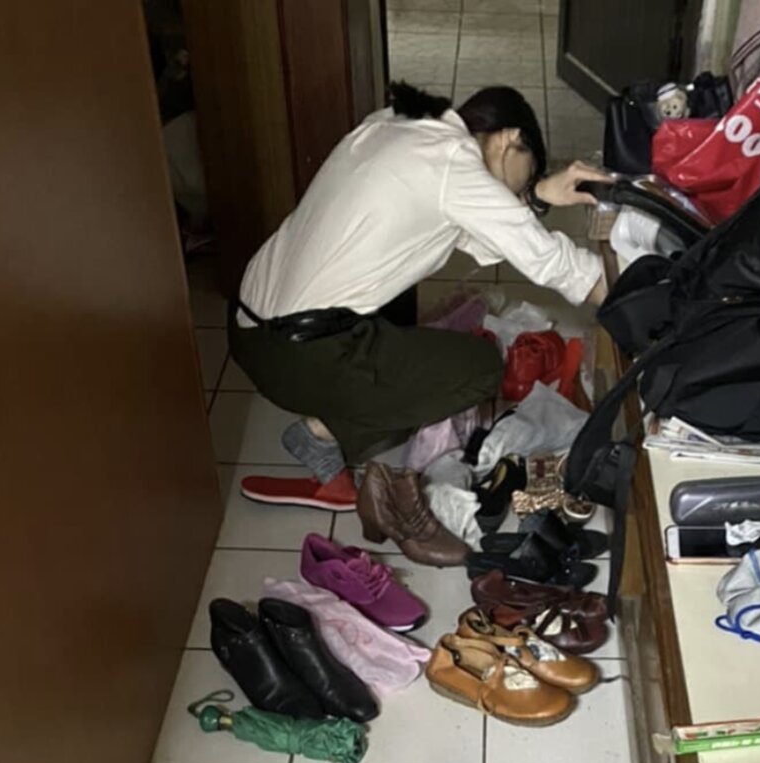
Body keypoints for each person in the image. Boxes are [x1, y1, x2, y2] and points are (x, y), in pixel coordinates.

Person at [230, 82, 612, 511]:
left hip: (249, 327)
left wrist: (536, 196)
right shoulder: (454, 163)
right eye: (524, 178)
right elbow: (555, 263)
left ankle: (333, 457)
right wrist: (628, 292)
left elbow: (474, 234)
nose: (514, 196)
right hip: (295, 353)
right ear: (509, 139)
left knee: (401, 315)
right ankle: (322, 434)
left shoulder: (400, 125)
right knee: (480, 367)